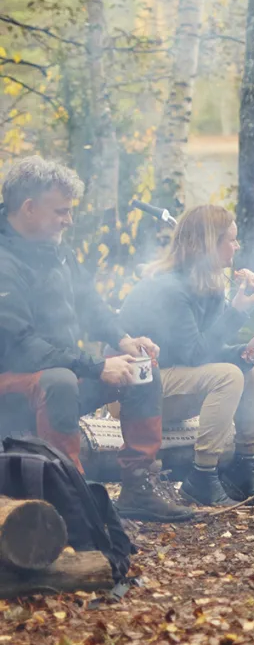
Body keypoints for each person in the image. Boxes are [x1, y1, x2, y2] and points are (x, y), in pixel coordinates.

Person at [0, 156, 192, 521]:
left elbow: (91, 305)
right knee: (58, 381)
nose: (68, 220)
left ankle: (138, 488)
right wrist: (97, 366)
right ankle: (70, 498)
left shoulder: (55, 250)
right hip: (14, 386)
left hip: (61, 377)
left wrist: (124, 341)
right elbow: (22, 348)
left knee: (141, 368)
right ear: (28, 208)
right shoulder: (4, 261)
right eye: (60, 211)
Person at [118, 205, 254, 507]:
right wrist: (238, 313)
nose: (237, 246)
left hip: (175, 375)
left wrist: (243, 352)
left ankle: (244, 467)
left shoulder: (209, 284)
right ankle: (202, 476)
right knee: (228, 376)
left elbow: (205, 350)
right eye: (231, 239)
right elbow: (193, 355)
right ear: (208, 244)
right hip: (137, 390)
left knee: (251, 372)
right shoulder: (169, 288)